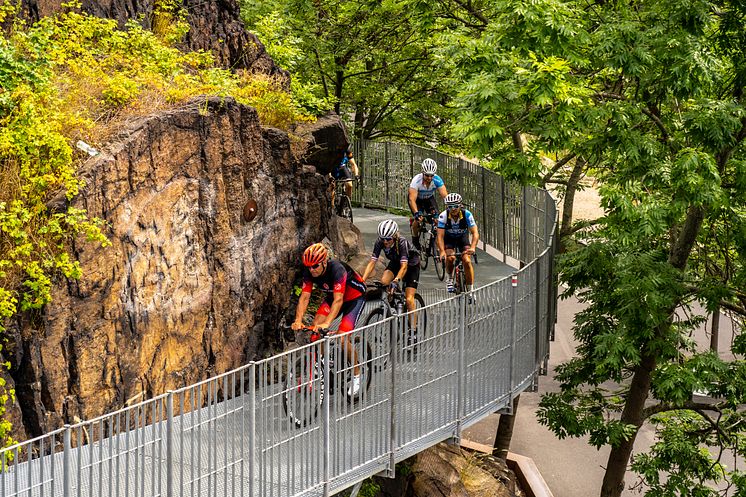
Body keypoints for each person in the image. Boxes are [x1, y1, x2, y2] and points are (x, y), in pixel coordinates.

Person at [292, 243, 366, 395]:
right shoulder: (309, 271)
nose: (312, 270)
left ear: (324, 262)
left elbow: (339, 301)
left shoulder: (337, 270)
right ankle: (324, 364)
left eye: (315, 266)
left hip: (354, 298)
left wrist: (327, 323)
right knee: (315, 328)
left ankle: (357, 375)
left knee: (343, 338)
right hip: (333, 297)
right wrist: (298, 320)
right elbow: (305, 296)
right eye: (309, 267)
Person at [361, 219, 421, 331]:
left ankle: (413, 331)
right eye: (383, 239)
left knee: (409, 300)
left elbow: (404, 267)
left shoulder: (402, 242)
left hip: (411, 265)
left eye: (388, 239)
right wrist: (362, 280)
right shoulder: (380, 242)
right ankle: (393, 305)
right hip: (395, 262)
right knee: (384, 281)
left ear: (394, 236)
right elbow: (372, 262)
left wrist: (396, 280)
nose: (385, 242)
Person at [436, 193, 480, 294]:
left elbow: (475, 233)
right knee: (450, 258)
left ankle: (471, 290)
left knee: (467, 261)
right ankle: (449, 279)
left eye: (456, 206)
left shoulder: (467, 214)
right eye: (450, 206)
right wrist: (442, 251)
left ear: (460, 205)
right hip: (449, 238)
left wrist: (473, 247)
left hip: (462, 238)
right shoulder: (443, 216)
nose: (453, 209)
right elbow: (440, 236)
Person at [408, 158, 448, 249]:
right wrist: (416, 213)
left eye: (431, 175)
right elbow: (412, 200)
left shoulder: (437, 180)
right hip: (417, 200)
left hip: (429, 199)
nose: (429, 178)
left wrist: (451, 206)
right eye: (427, 175)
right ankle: (415, 240)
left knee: (438, 220)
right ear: (423, 173)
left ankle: (437, 243)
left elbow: (445, 196)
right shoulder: (416, 181)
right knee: (418, 219)